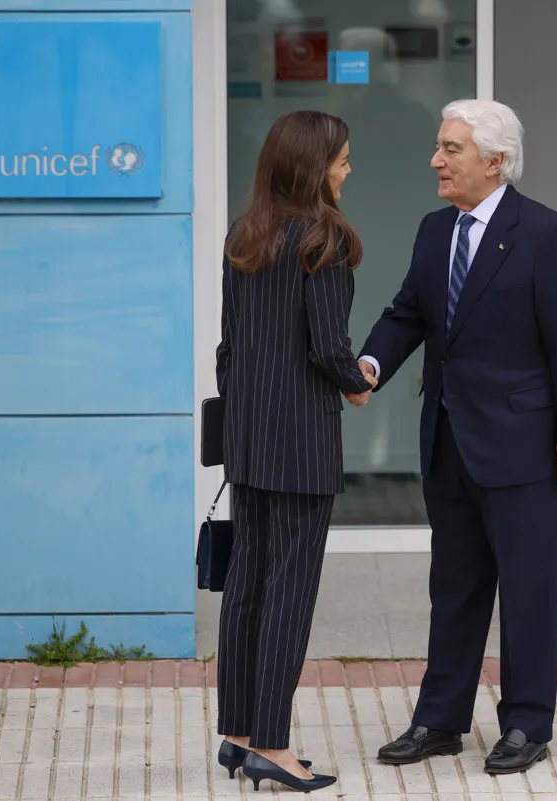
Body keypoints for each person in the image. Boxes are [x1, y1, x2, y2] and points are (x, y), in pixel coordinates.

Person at [356, 99, 557, 775]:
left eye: (450, 149)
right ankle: (439, 719)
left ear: (495, 161)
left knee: (527, 591)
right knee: (455, 587)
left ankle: (526, 723)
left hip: (525, 446)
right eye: (439, 147)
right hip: (449, 441)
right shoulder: (436, 231)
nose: (436, 160)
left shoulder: (545, 233)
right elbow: (406, 312)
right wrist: (371, 365)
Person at [212, 110, 375, 793]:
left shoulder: (244, 235)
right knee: (289, 593)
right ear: (312, 166)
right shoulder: (325, 240)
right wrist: (358, 382)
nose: (347, 169)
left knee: (246, 585)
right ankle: (274, 746)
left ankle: (240, 733)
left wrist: (247, 417)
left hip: (247, 441)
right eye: (340, 159)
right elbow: (329, 348)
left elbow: (229, 351)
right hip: (303, 445)